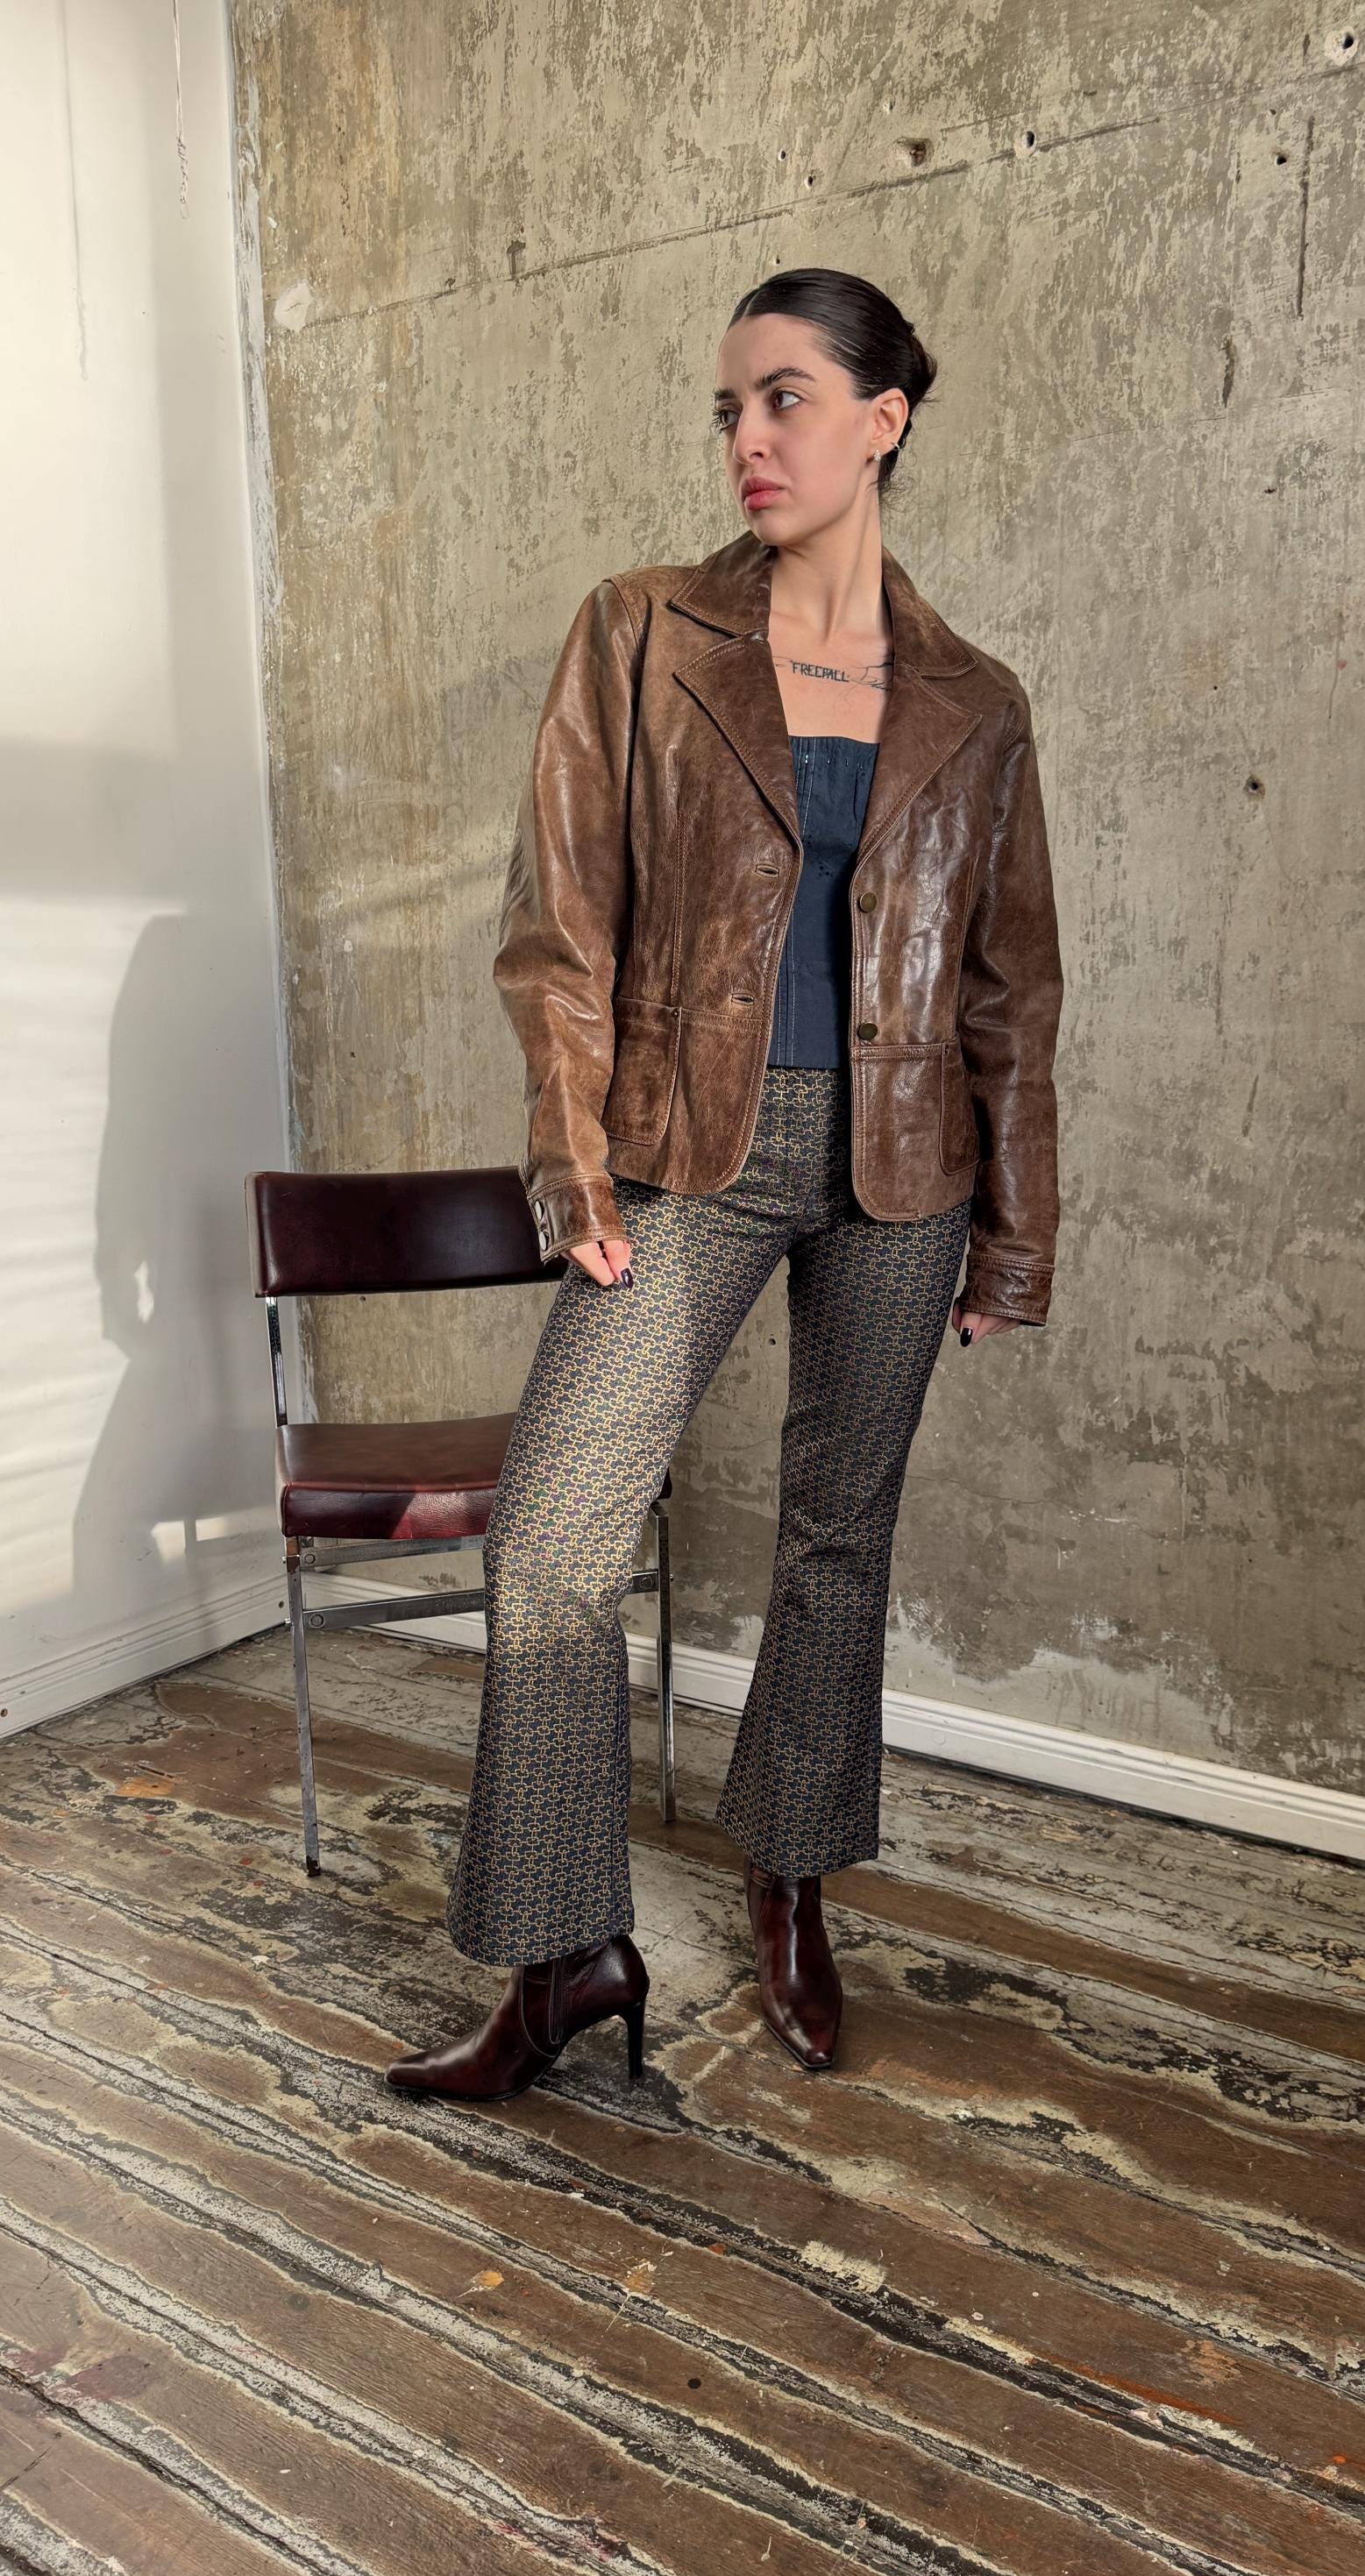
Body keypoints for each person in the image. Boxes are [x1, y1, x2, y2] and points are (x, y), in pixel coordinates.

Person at [387, 266, 1063, 2103]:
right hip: (689, 1145)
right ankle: (563, 1953)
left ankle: (787, 1887)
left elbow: (1007, 987)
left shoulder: (976, 705)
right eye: (728, 412)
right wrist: (572, 1158)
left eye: (782, 400)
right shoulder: (639, 633)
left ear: (881, 418)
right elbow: (559, 932)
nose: (748, 441)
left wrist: (1016, 1234)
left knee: (837, 1547)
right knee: (552, 1555)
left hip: (903, 1165)